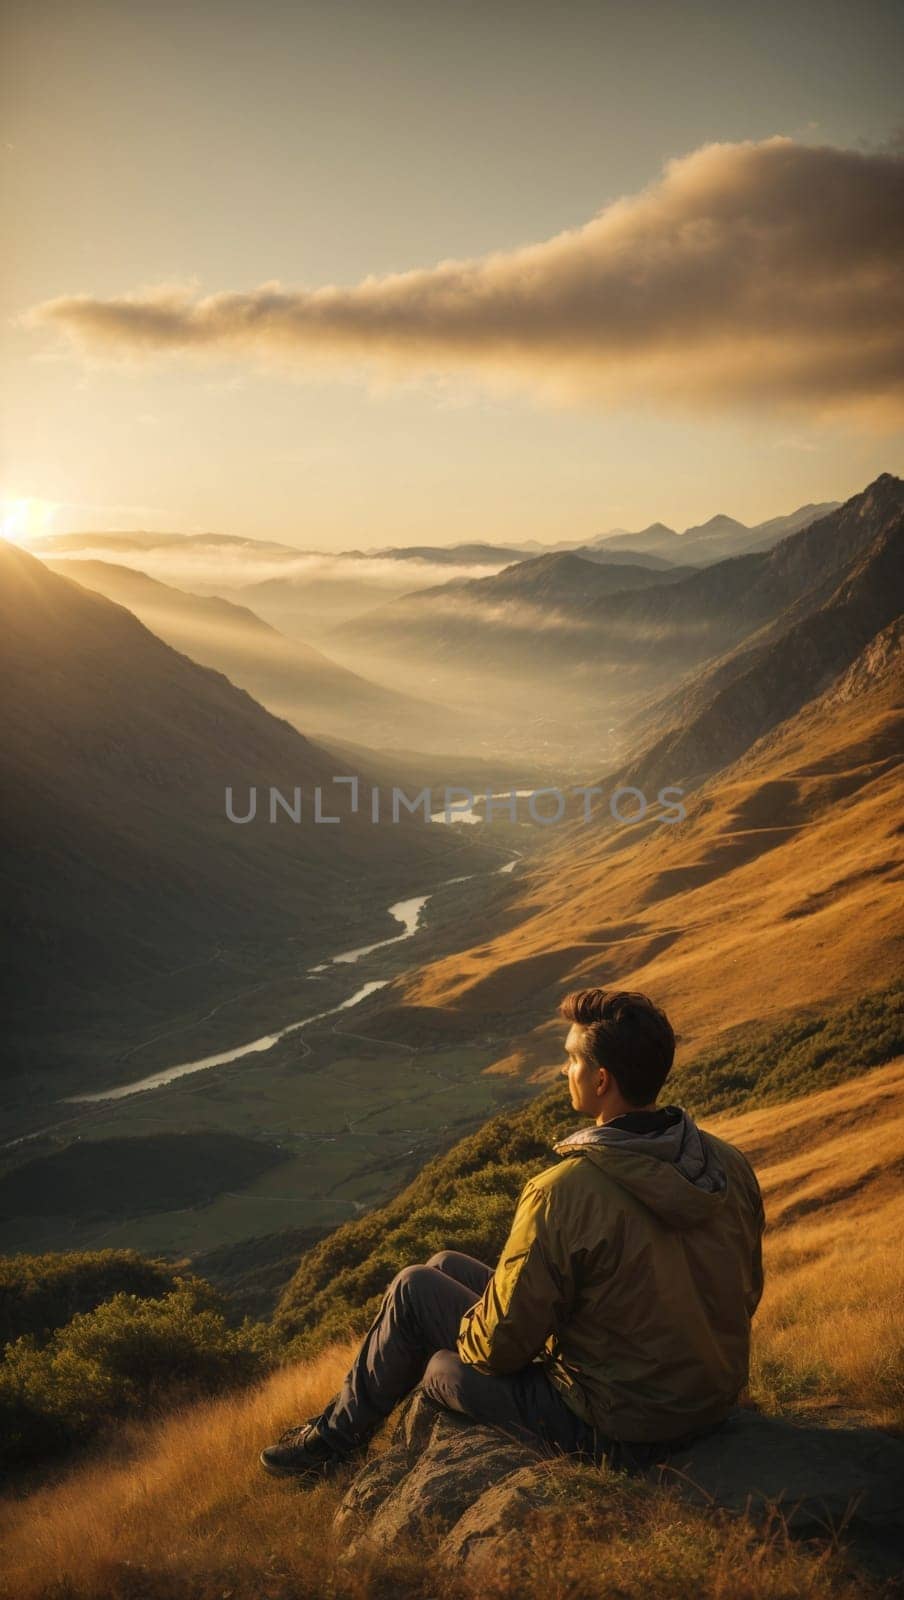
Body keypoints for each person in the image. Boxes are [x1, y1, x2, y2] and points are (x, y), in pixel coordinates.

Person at [259, 987, 765, 1481]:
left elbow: (497, 1350)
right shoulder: (725, 1165)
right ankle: (334, 1433)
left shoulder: (564, 1191)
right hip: (708, 1400)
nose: (564, 1070)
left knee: (423, 1316)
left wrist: (473, 1328)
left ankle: (330, 1446)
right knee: (444, 1266)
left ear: (602, 1080)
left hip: (618, 1427)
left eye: (571, 1061)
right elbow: (748, 1292)